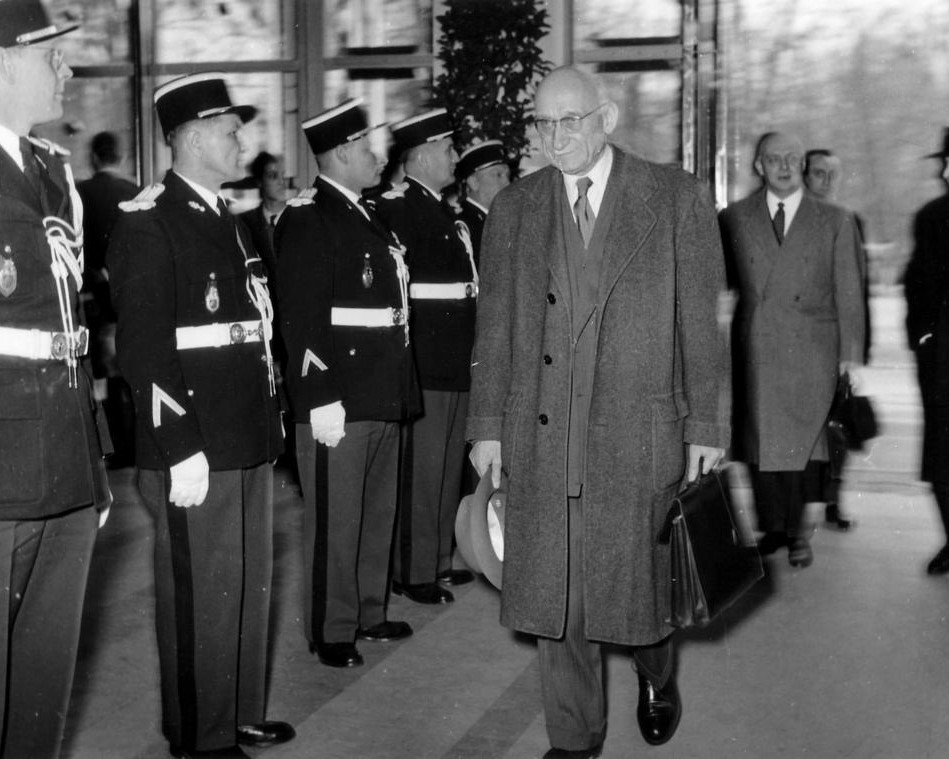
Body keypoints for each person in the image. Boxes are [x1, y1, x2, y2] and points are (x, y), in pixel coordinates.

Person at [466, 66, 729, 758]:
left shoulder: (675, 198)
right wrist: (487, 424)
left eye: (570, 121)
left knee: (637, 595)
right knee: (561, 599)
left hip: (638, 433)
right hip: (543, 435)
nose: (555, 138)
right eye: (542, 124)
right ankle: (573, 737)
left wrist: (706, 426)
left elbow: (701, 327)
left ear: (606, 118)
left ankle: (654, 668)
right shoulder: (514, 209)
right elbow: (493, 327)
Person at [108, 73, 294, 759]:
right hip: (194, 442)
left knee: (245, 582)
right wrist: (177, 441)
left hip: (243, 427)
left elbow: (250, 331)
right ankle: (199, 733)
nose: (241, 138)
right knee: (201, 593)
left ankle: (237, 711)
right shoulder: (149, 219)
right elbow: (145, 347)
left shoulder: (229, 218)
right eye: (229, 127)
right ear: (188, 137)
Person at [0, 4, 112, 756]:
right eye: (51, 56)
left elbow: (71, 332)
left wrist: (95, 462)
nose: (66, 70)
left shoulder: (52, 173)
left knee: (43, 686)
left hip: (67, 454)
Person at [274, 98, 420, 668]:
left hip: (381, 386)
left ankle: (367, 609)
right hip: (339, 394)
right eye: (365, 146)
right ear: (338, 152)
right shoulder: (309, 217)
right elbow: (301, 318)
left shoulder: (367, 212)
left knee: (375, 509)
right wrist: (319, 398)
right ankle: (331, 629)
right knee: (336, 517)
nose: (377, 157)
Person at [720, 132, 865, 568]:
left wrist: (850, 355)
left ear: (801, 164)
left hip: (813, 347)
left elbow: (849, 292)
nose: (784, 166)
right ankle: (771, 529)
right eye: (773, 159)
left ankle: (798, 532)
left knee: (805, 447)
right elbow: (717, 284)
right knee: (759, 444)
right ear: (759, 166)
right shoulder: (734, 218)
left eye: (792, 158)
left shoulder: (835, 219)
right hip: (756, 345)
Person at [375, 109, 478, 604]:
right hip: (427, 362)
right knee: (423, 471)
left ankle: (436, 559)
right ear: (418, 156)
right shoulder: (398, 207)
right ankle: (412, 570)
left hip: (455, 361)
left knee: (445, 468)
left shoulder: (443, 210)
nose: (454, 156)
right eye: (446, 148)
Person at [803, 148, 868, 530]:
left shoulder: (849, 221)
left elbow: (857, 291)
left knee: (838, 432)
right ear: (805, 176)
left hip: (834, 349)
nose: (826, 181)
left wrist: (856, 352)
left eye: (833, 174)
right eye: (819, 173)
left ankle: (832, 502)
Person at [78, 130, 140, 467]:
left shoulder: (82, 193)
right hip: (133, 302)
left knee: (105, 379)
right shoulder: (136, 193)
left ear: (94, 158)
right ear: (122, 157)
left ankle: (115, 445)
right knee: (131, 374)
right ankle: (136, 444)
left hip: (97, 303)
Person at [904, 128, 949, 575]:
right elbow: (917, 288)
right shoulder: (933, 218)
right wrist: (924, 342)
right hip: (943, 364)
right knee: (942, 460)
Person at [455, 139, 511, 261]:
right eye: (498, 175)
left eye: (507, 175)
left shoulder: (502, 220)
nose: (507, 183)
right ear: (474, 182)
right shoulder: (463, 226)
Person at [237, 150, 286, 279]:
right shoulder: (246, 223)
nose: (282, 182)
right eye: (273, 176)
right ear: (260, 181)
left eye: (284, 176)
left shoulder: (299, 218)